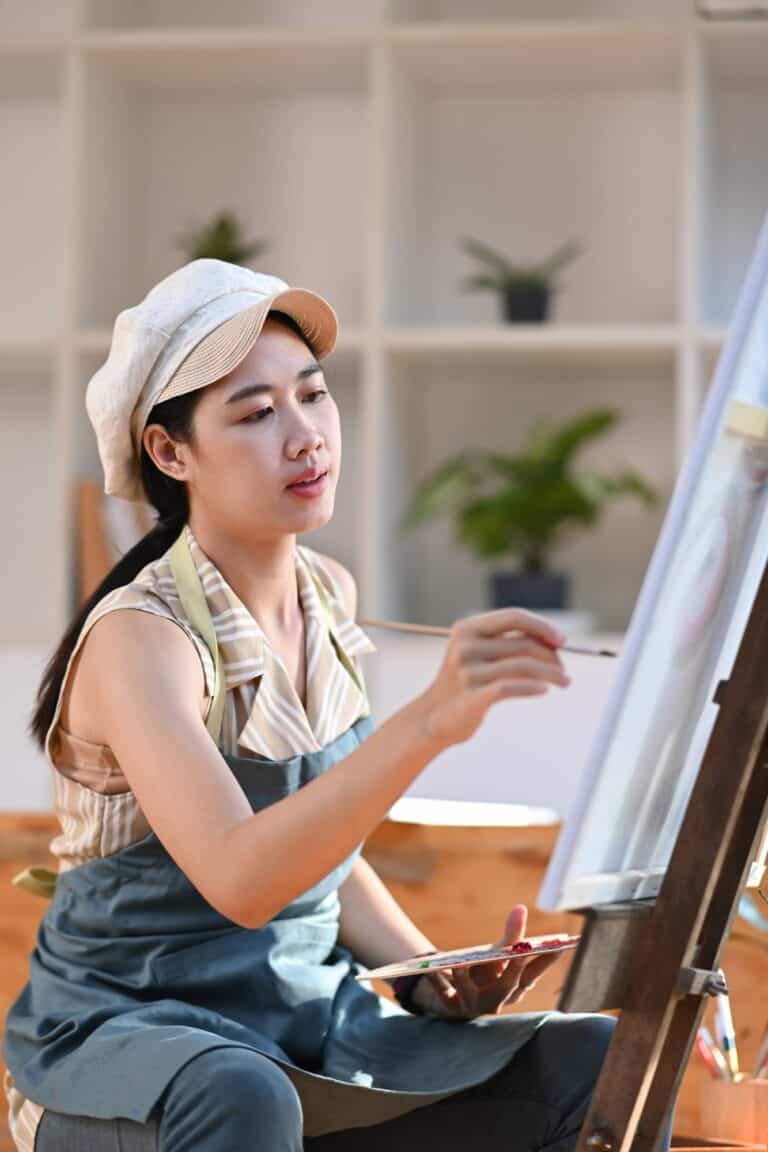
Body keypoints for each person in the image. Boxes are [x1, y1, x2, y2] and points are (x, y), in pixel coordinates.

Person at [2, 259, 668, 1152]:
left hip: (306, 1023)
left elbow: (318, 848)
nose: (305, 435)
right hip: (133, 1043)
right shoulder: (142, 638)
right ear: (171, 453)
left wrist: (424, 974)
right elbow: (243, 878)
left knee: (598, 1060)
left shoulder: (329, 597)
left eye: (313, 396)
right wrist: (429, 722)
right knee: (243, 1093)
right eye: (255, 413)